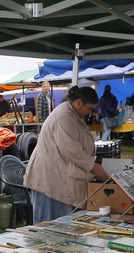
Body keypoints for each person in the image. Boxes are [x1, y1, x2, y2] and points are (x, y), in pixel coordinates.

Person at [25, 85, 109, 222]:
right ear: (79, 102)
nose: (90, 112)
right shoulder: (64, 116)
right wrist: (93, 167)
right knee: (49, 224)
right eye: (89, 108)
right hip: (50, 177)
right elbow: (71, 149)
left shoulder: (73, 114)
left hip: (59, 175)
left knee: (62, 222)